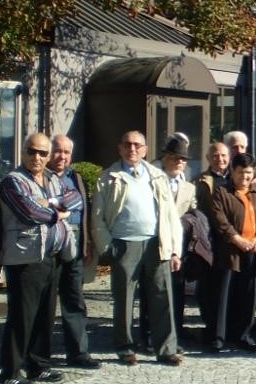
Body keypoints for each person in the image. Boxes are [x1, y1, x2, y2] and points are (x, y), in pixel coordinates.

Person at [0, 133, 82, 384]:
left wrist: (51, 202)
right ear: (23, 151)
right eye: (32, 151)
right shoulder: (12, 182)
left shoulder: (53, 178)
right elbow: (29, 213)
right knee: (21, 316)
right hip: (25, 258)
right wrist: (58, 213)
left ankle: (38, 366)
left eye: (43, 153)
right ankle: (10, 374)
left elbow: (75, 198)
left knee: (45, 316)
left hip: (52, 256)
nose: (37, 157)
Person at [92, 131, 183, 366]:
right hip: (123, 244)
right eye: (128, 145)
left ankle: (166, 349)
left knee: (162, 296)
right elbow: (97, 217)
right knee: (124, 299)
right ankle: (125, 347)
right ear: (120, 148)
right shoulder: (108, 177)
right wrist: (108, 247)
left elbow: (170, 215)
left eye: (137, 145)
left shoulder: (157, 176)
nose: (132, 149)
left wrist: (174, 249)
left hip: (156, 242)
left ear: (145, 150)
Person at [47, 135, 100, 369]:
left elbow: (84, 208)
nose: (62, 156)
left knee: (74, 299)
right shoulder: (40, 176)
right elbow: (50, 206)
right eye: (58, 151)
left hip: (76, 240)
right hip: (49, 242)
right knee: (45, 300)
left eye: (67, 152)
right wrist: (68, 202)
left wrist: (87, 242)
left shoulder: (75, 177)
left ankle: (78, 353)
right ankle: (39, 354)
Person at [212, 153, 256, 352]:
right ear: (233, 171)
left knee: (249, 296)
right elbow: (220, 219)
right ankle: (219, 336)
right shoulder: (222, 192)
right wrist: (236, 239)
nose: (245, 177)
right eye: (240, 172)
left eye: (248, 173)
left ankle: (244, 334)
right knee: (225, 296)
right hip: (232, 252)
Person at [141, 135, 197, 351]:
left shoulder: (188, 187)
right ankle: (146, 334)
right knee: (151, 291)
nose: (179, 162)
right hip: (154, 242)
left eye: (183, 159)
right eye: (175, 158)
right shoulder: (152, 181)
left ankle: (175, 333)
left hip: (178, 245)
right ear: (164, 157)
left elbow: (193, 211)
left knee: (177, 291)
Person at [194, 142, 230, 350]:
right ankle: (210, 329)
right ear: (208, 158)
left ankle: (223, 329)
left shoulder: (233, 178)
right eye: (215, 155)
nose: (220, 159)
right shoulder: (201, 180)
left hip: (229, 241)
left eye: (224, 155)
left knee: (224, 288)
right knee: (208, 286)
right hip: (208, 239)